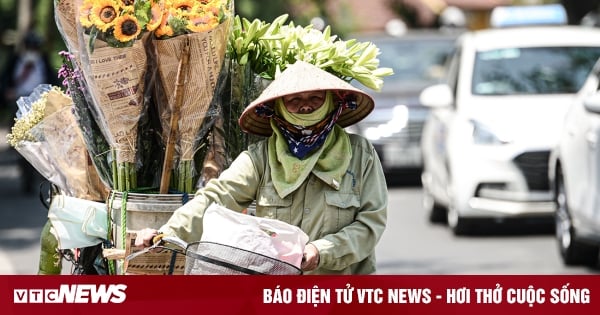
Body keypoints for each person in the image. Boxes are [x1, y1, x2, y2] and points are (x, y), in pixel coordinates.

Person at [135, 61, 388, 274]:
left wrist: (319, 251)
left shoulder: (360, 154)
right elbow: (217, 198)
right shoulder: (260, 158)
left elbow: (369, 224)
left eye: (315, 98)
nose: (305, 105)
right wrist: (167, 231)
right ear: (278, 107)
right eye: (294, 100)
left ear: (331, 102)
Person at [0, 31, 59, 193]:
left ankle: (41, 169)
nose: (32, 50)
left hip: (39, 104)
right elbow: (5, 80)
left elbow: (53, 80)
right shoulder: (15, 61)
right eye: (30, 46)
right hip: (18, 103)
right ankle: (23, 164)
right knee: (21, 139)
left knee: (42, 139)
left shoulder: (43, 62)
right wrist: (7, 92)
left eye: (35, 47)